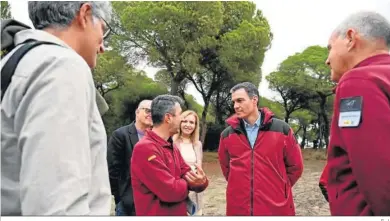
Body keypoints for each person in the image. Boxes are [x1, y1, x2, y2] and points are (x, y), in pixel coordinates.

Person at [1, 2, 112, 215]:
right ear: (85, 14)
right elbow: (56, 203)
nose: (102, 46)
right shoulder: (61, 66)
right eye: (103, 30)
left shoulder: (16, 61)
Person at [324, 11, 390, 216]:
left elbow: (379, 176)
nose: (327, 60)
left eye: (330, 48)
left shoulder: (359, 82)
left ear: (351, 38)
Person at [218, 82, 304, 216]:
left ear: (254, 100)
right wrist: (242, 186)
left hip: (275, 207)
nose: (235, 106)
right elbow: (226, 168)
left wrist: (280, 188)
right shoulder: (227, 135)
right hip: (239, 207)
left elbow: (296, 167)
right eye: (234, 102)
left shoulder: (282, 129)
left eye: (240, 100)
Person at [131, 95, 209, 216]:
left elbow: (191, 175)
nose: (182, 120)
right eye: (180, 115)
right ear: (168, 118)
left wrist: (202, 181)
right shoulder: (145, 149)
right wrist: (189, 183)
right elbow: (170, 192)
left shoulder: (170, 146)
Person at [107, 100, 153, 216]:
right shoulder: (120, 135)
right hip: (127, 201)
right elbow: (112, 169)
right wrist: (120, 197)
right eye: (147, 111)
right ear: (137, 112)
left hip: (152, 201)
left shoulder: (157, 137)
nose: (151, 114)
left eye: (154, 112)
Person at [173, 110, 204, 215]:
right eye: (185, 121)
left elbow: (199, 166)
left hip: (194, 189)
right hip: (179, 189)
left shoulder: (197, 144)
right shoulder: (172, 142)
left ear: (195, 125)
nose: (188, 125)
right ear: (180, 123)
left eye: (191, 122)